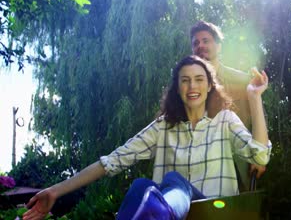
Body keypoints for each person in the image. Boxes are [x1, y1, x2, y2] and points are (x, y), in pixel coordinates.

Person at [23, 55, 271, 220]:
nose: (192, 86)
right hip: (173, 212)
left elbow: (259, 154)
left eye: (199, 80)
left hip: (216, 213)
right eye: (184, 81)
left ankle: (159, 213)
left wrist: (254, 97)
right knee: (141, 186)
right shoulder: (163, 127)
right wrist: (55, 191)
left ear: (209, 86)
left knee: (174, 180)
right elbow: (112, 161)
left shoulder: (225, 120)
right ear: (177, 88)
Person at [190, 21, 267, 190]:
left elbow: (258, 117)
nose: (200, 45)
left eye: (206, 40)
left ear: (218, 46)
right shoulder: (188, 89)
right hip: (202, 170)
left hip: (241, 163)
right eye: (196, 43)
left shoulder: (242, 81)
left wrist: (258, 157)